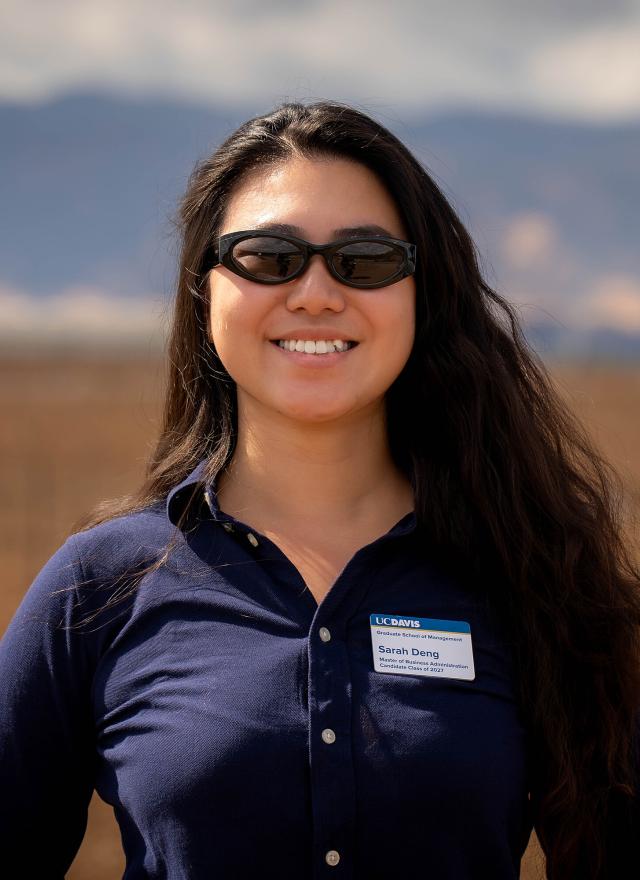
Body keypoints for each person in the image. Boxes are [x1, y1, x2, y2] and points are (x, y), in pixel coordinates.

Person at [0, 101, 638, 879]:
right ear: (206, 295)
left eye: (363, 260)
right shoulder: (98, 588)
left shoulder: (529, 575)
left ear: (421, 294)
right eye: (268, 257)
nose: (314, 294)